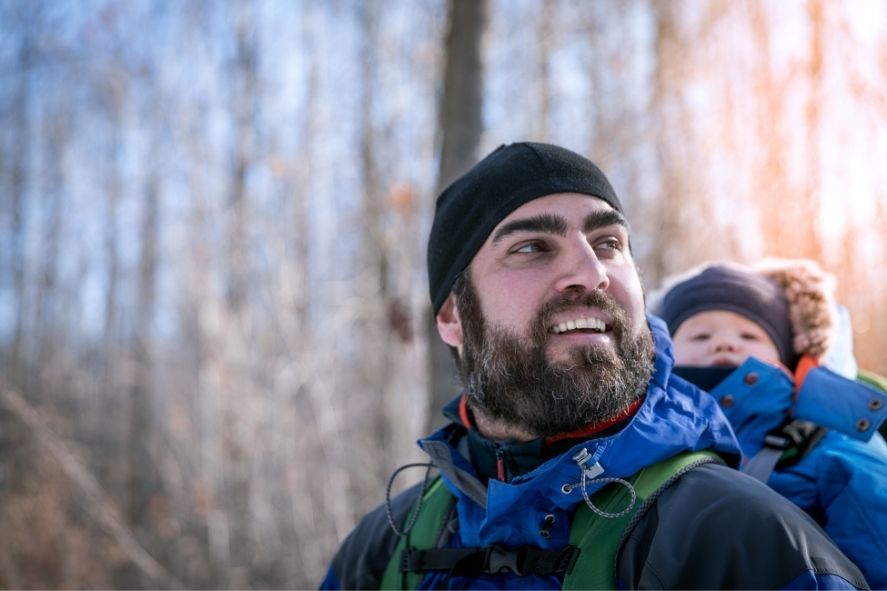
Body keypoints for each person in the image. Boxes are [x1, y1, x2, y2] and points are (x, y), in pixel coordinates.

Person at [320, 142, 868, 589]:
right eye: (532, 247)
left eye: (608, 243)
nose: (591, 271)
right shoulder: (386, 550)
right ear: (452, 317)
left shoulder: (738, 543)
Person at [653, 260, 887, 588]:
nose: (723, 344)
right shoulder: (645, 438)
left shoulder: (830, 443)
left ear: (787, 352)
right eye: (700, 335)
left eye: (748, 334)